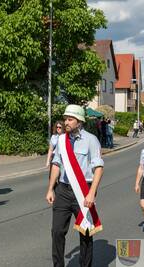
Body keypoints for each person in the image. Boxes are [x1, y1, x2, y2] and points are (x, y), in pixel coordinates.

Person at [46, 104, 104, 267]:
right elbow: (56, 164)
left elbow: (98, 168)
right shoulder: (61, 140)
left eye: (70, 119)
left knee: (85, 232)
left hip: (83, 190)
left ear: (79, 122)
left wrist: (92, 193)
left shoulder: (91, 140)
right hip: (63, 190)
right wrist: (50, 188)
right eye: (65, 119)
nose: (66, 122)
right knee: (57, 232)